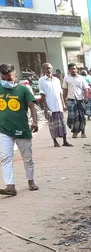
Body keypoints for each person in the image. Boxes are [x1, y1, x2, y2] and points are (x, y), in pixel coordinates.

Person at [0, 63, 39, 196]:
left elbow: (32, 107)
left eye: (9, 78)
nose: (6, 81)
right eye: (3, 78)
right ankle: (10, 186)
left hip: (22, 129)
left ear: (14, 75)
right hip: (3, 129)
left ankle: (31, 181)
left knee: (27, 157)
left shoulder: (23, 90)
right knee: (5, 157)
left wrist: (35, 122)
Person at [38, 63, 72, 148]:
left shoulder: (56, 80)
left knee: (62, 124)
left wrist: (63, 104)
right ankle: (55, 141)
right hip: (50, 106)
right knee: (53, 125)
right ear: (43, 70)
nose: (48, 70)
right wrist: (45, 107)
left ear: (52, 69)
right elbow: (42, 95)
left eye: (49, 68)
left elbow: (60, 93)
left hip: (59, 105)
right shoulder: (41, 80)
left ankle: (65, 141)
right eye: (46, 68)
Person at [62, 63, 88, 138]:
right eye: (71, 69)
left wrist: (86, 97)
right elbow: (65, 90)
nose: (73, 70)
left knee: (81, 116)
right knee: (72, 117)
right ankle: (75, 132)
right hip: (71, 100)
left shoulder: (81, 78)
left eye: (74, 68)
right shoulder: (66, 78)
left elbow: (85, 88)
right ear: (69, 70)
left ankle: (83, 132)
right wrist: (63, 101)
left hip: (80, 99)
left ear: (77, 69)